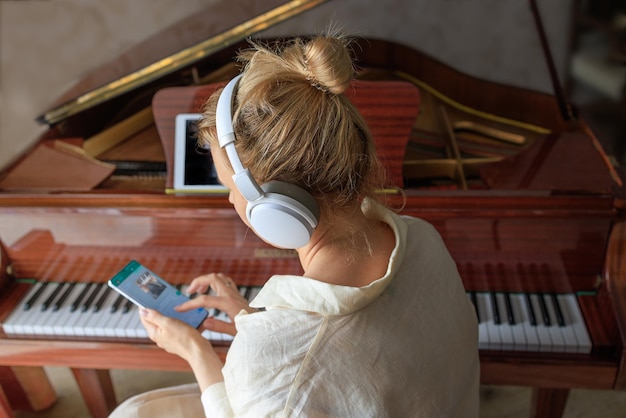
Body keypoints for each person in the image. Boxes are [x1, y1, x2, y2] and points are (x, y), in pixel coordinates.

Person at [109, 32, 479, 418]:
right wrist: (255, 322)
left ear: (272, 206)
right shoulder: (423, 237)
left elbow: (301, 372)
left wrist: (198, 354)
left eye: (228, 187)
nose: (231, 200)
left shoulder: (271, 365)